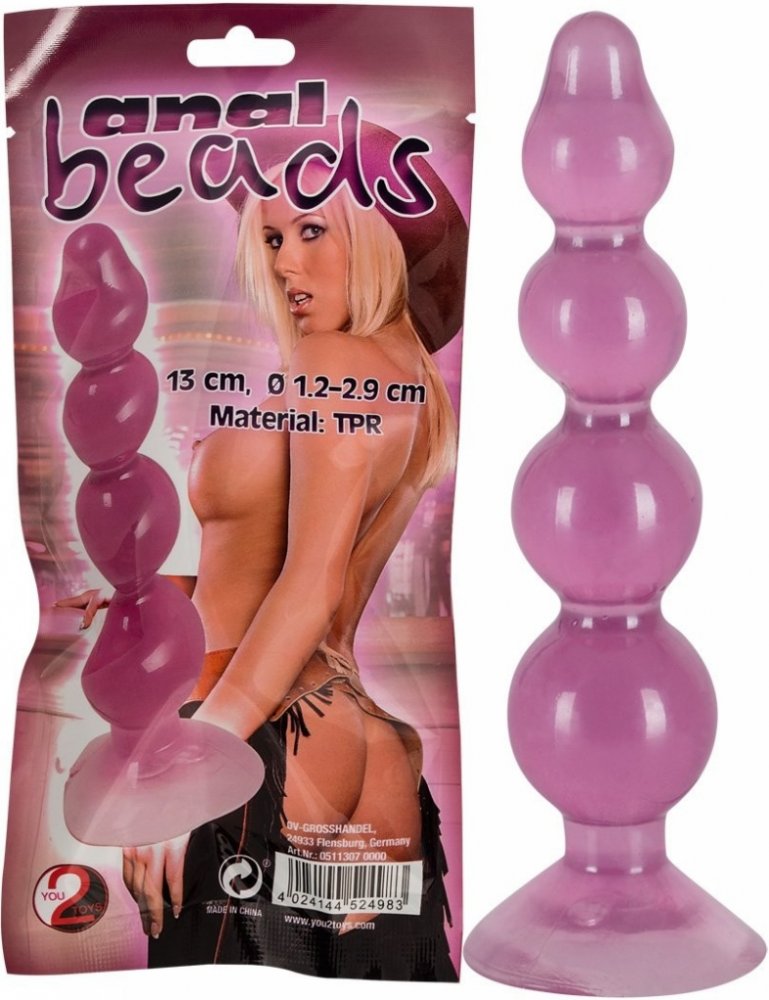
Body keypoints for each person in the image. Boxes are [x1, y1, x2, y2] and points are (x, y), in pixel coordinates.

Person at [60, 137, 466, 979]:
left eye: (312, 230)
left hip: (255, 730)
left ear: (381, 237)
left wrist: (193, 758)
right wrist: (169, 589)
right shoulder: (410, 381)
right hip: (360, 743)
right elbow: (306, 568)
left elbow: (310, 582)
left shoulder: (330, 360)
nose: (284, 264)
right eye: (273, 239)